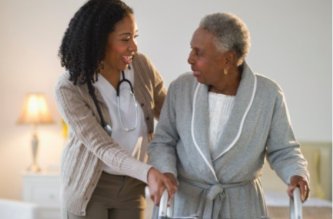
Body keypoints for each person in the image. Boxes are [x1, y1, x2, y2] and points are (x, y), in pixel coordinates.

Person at [148, 12, 310, 219]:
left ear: (228, 59)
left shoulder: (268, 95)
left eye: (199, 53)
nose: (189, 59)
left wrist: (296, 175)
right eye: (191, 50)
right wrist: (166, 172)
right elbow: (163, 141)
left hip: (241, 206)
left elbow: (284, 150)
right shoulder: (181, 89)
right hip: (186, 202)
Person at [55, 0, 177, 218]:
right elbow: (102, 147)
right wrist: (148, 172)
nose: (134, 47)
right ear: (99, 41)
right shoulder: (69, 88)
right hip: (90, 187)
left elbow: (171, 117)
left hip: (132, 185)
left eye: (135, 37)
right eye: (125, 39)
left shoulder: (141, 66)